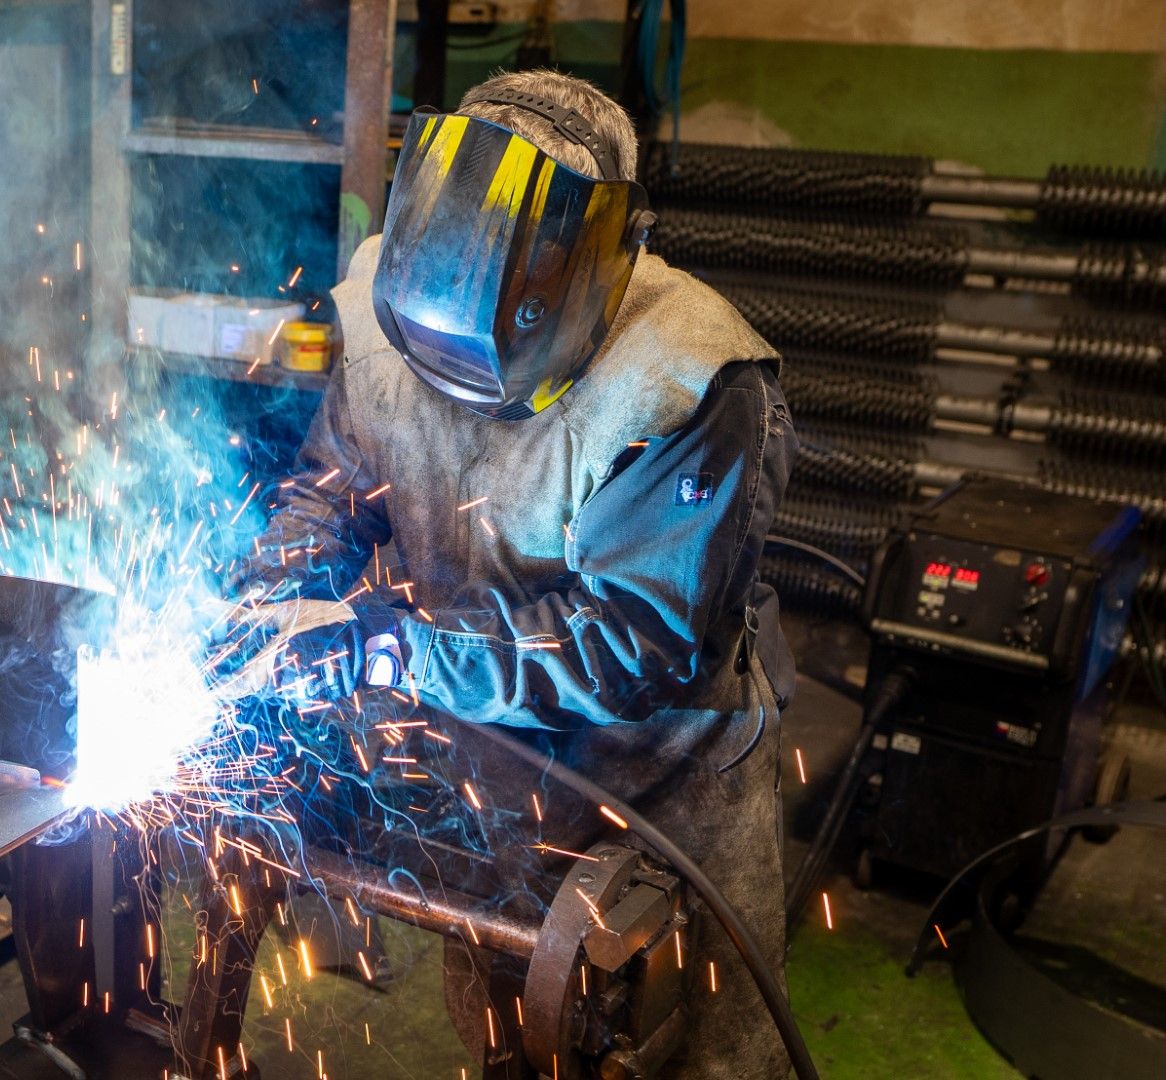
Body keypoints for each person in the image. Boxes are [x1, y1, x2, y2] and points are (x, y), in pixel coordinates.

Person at [220, 69, 796, 1079]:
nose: (453, 395)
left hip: (657, 785)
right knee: (507, 1032)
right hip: (488, 766)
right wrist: (276, 591)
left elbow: (635, 647)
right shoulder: (382, 304)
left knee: (689, 1053)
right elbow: (333, 486)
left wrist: (390, 648)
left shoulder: (687, 378)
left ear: (600, 268)